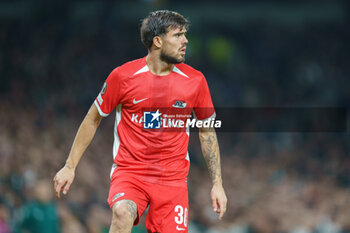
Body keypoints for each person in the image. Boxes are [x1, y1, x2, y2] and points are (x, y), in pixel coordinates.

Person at [53, 10, 227, 233]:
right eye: (178, 35)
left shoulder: (195, 81)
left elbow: (207, 132)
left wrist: (217, 184)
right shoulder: (123, 76)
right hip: (130, 172)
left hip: (172, 181)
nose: (185, 41)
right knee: (122, 213)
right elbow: (93, 118)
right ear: (157, 41)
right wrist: (70, 166)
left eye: (185, 35)